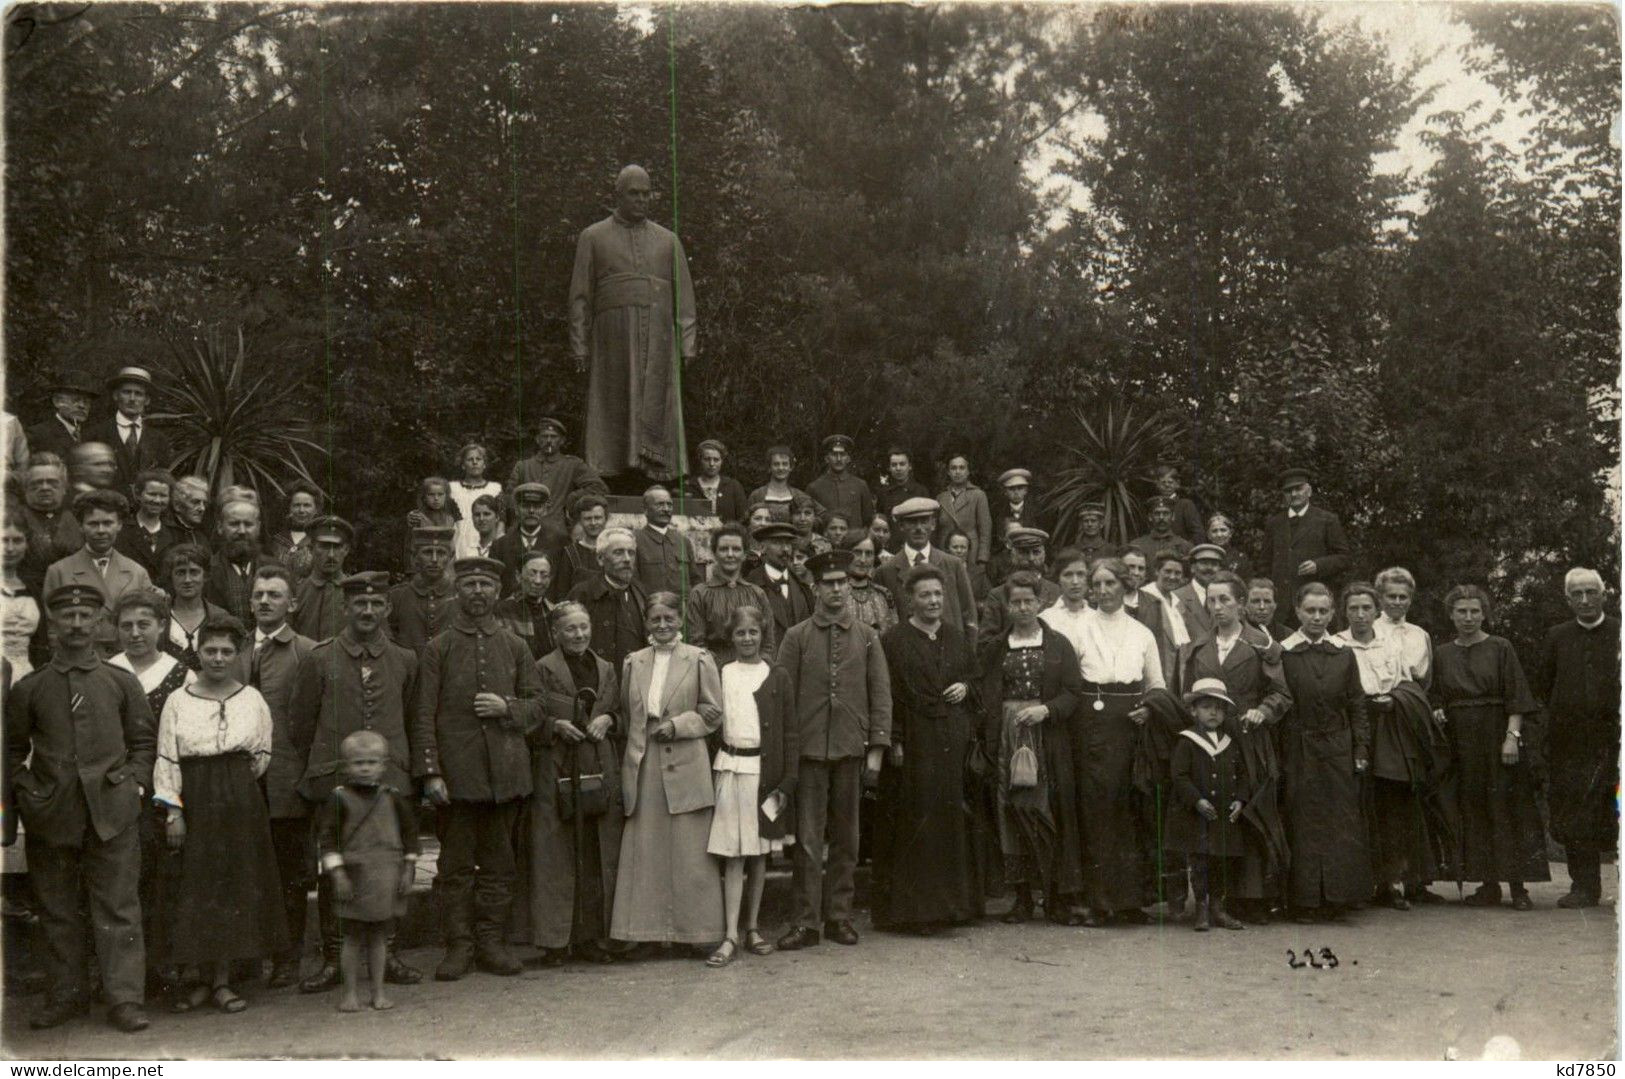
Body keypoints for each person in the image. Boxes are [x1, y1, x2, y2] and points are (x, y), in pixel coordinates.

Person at [4, 582, 156, 1032]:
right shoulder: (31, 688)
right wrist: (29, 791)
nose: (75, 624)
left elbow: (143, 742)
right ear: (52, 624)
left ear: (98, 623)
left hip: (113, 811)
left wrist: (133, 786)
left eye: (84, 616)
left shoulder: (119, 681)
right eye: (66, 617)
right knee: (57, 908)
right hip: (53, 814)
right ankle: (64, 996)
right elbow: (10, 749)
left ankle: (125, 1000)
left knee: (119, 906)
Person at [290, 571, 423, 993]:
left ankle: (390, 954)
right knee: (338, 870)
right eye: (359, 605)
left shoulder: (404, 659)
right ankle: (333, 959)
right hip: (336, 783)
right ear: (345, 609)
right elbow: (300, 723)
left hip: (389, 784)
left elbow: (410, 716)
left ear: (386, 609)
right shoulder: (320, 658)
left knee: (386, 866)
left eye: (376, 605)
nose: (367, 611)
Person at [415, 557, 544, 979]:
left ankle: (491, 942)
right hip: (457, 776)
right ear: (458, 590)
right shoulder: (439, 647)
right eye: (469, 584)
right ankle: (459, 945)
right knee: (454, 867)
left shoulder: (515, 645)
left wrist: (508, 707)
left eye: (486, 585)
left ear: (496, 592)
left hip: (505, 775)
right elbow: (423, 715)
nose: (477, 592)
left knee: (499, 865)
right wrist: (432, 772)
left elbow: (537, 706)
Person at [153, 615, 286, 1015]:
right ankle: (194, 979)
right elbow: (166, 755)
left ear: (237, 654)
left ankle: (223, 981)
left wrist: (234, 785)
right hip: (194, 795)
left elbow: (262, 754)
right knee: (195, 885)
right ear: (198, 652)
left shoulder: (252, 699)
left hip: (240, 801)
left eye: (227, 651)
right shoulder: (179, 699)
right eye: (210, 650)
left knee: (234, 884)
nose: (218, 658)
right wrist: (173, 809)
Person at [776, 549, 892, 950]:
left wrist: (876, 749)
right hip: (808, 752)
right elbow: (782, 699)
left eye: (843, 582)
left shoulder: (867, 636)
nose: (837, 589)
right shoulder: (796, 637)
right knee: (807, 841)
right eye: (829, 583)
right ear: (815, 587)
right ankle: (805, 922)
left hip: (851, 749)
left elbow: (880, 696)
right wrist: (787, 754)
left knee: (848, 838)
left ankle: (839, 917)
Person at [1043, 555, 1165, 925]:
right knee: (1094, 808)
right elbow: (1068, 683)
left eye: (1110, 583)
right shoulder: (1077, 631)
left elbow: (1156, 683)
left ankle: (1129, 901)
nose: (1102, 591)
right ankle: (1097, 900)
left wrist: (1149, 709)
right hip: (1090, 725)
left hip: (1130, 724)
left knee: (1127, 808)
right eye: (1096, 585)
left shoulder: (1142, 633)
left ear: (1127, 586)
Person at [611, 591, 724, 952]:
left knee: (691, 854)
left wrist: (679, 725)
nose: (662, 626)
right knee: (648, 851)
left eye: (669, 619)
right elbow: (629, 717)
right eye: (655, 619)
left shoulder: (699, 659)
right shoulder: (633, 662)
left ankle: (696, 934)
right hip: (645, 766)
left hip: (687, 762)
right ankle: (646, 934)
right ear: (646, 622)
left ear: (680, 621)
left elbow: (713, 713)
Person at [1176, 572, 1292, 923]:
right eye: (1211, 600)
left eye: (1225, 600)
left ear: (1241, 604)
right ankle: (1211, 902)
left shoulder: (1262, 645)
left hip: (1249, 738)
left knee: (1248, 813)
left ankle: (1252, 899)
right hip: (1208, 742)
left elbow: (1282, 693)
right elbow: (1186, 696)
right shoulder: (1197, 648)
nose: (1218, 607)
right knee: (1212, 817)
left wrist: (1263, 710)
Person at [571, 165, 698, 484]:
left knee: (659, 400)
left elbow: (684, 298)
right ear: (619, 195)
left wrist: (687, 343)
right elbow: (580, 296)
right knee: (613, 399)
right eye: (633, 193)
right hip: (612, 338)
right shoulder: (593, 235)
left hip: (658, 337)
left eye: (646, 193)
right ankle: (612, 472)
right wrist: (579, 346)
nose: (641, 199)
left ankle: (659, 474)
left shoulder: (669, 240)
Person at [875, 565, 982, 933]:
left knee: (950, 820)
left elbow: (974, 677)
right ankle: (917, 912)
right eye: (925, 595)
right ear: (910, 600)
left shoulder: (955, 637)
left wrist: (966, 687)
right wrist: (897, 740)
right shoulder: (894, 640)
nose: (933, 601)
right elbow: (888, 695)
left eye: (938, 594)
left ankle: (953, 908)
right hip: (916, 741)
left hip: (951, 739)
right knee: (917, 821)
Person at [517, 602, 622, 964]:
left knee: (595, 851)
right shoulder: (541, 668)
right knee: (557, 853)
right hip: (556, 766)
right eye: (570, 629)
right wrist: (554, 726)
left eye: (584, 627)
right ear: (556, 633)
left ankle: (593, 938)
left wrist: (608, 718)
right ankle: (556, 941)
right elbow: (530, 715)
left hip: (600, 765)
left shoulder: (607, 668)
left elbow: (621, 710)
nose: (579, 635)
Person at [1431, 584, 1547, 909]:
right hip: (1461, 740)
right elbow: (1437, 694)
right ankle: (1488, 885)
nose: (1468, 618)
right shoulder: (1442, 653)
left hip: (1497, 734)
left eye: (1475, 611)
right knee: (1474, 809)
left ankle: (1519, 888)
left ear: (1484, 614)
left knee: (1508, 807)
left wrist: (1512, 737)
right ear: (1451, 615)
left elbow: (1517, 696)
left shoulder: (1500, 647)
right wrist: (1439, 708)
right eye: (1461, 612)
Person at [978, 571, 1081, 925]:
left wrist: (1046, 710)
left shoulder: (1059, 645)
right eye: (1015, 602)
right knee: (1011, 812)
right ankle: (1021, 896)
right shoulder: (995, 648)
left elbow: (1072, 694)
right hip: (1007, 736)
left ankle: (1053, 897)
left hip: (1045, 737)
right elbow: (983, 692)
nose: (1022, 608)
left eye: (1028, 601)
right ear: (1006, 606)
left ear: (1041, 603)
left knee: (1046, 811)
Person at [1335, 581, 1445, 911]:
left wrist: (1394, 699)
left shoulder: (1391, 645)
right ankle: (1362, 882)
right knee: (1357, 803)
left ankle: (1396, 880)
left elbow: (1408, 683)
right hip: (1352, 723)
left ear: (1375, 610)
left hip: (1390, 727)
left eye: (1366, 608)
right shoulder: (1337, 644)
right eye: (1353, 608)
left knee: (1394, 801)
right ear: (1345, 612)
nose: (1360, 614)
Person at [108, 588, 195, 997]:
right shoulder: (107, 670)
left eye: (144, 624)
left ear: (162, 626)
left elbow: (184, 741)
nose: (135, 633)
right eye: (126, 626)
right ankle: (123, 977)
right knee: (121, 884)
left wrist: (173, 799)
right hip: (116, 791)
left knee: (165, 881)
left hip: (166, 793)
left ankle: (164, 971)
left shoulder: (182, 674)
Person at [238, 566, 317, 987]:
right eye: (259, 595)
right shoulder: (232, 650)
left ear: (292, 604)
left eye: (275, 595)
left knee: (289, 869)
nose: (265, 601)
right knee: (246, 868)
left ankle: (289, 956)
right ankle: (249, 956)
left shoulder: (306, 650)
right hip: (240, 781)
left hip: (288, 777)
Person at [706, 606, 798, 966]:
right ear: (731, 638)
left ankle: (753, 927)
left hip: (765, 776)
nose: (747, 639)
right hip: (731, 768)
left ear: (764, 635)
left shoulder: (776, 675)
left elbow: (790, 732)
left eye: (754, 633)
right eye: (741, 633)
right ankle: (730, 933)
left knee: (759, 853)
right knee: (734, 854)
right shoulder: (722, 674)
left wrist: (787, 781)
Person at [1277, 583, 1371, 922]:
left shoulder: (1343, 653)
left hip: (1337, 747)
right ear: (1298, 612)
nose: (1316, 617)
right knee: (1302, 819)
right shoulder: (1284, 652)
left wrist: (1360, 747)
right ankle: (1305, 901)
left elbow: (1356, 703)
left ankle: (1338, 899)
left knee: (1338, 820)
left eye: (1323, 611)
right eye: (1310, 611)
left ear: (1333, 614)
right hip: (1298, 747)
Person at [314, 730, 421, 1013]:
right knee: (351, 937)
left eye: (372, 762)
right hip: (354, 877)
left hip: (386, 875)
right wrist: (337, 874)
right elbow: (328, 839)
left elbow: (410, 835)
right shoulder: (338, 799)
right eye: (358, 762)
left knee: (379, 937)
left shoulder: (394, 797)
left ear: (383, 765)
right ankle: (349, 993)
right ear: (346, 766)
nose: (365, 768)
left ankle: (378, 992)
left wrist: (408, 868)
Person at [1533, 568, 1619, 909]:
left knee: (1617, 808)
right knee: (1575, 812)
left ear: (1603, 594)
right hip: (1570, 743)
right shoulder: (1557, 636)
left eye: (1590, 592)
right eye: (1577, 594)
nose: (1584, 600)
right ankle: (1584, 887)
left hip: (1615, 740)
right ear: (1568, 600)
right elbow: (1544, 684)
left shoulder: (1619, 631)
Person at [1167, 679, 1251, 932]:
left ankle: (1218, 907)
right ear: (1193, 711)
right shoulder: (1187, 741)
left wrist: (1240, 800)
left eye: (1218, 708)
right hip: (1197, 815)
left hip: (1225, 815)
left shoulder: (1230, 741)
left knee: (1222, 863)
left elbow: (1243, 774)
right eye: (1206, 707)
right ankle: (1201, 909)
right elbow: (1179, 775)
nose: (1213, 713)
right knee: (1200, 862)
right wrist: (1197, 800)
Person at [45, 489, 153, 657]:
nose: (101, 530)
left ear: (119, 525)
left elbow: (147, 624)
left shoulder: (137, 572)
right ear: (81, 526)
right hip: (78, 659)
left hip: (126, 660)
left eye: (108, 523)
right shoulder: (59, 571)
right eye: (93, 524)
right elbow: (53, 630)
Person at [877, 497, 978, 642]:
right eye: (912, 522)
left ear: (933, 524)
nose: (919, 528)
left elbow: (970, 618)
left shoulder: (953, 565)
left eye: (924, 521)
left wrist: (967, 656)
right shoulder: (886, 572)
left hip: (950, 652)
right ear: (901, 526)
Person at [1259, 467, 1353, 613]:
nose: (1294, 494)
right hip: (1281, 606)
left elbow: (1344, 558)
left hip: (1314, 603)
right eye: (1289, 491)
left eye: (1298, 489)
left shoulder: (1327, 520)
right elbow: (1264, 563)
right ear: (1284, 495)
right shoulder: (1274, 523)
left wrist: (1318, 565)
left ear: (1309, 491)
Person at [685, 524, 777, 663]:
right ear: (714, 553)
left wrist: (757, 670)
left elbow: (768, 643)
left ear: (745, 554)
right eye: (723, 549)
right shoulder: (700, 594)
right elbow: (696, 646)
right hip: (715, 675)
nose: (730, 554)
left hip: (753, 674)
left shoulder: (757, 594)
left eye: (736, 549)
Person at [566, 527, 648, 675]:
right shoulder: (582, 594)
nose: (627, 559)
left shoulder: (641, 593)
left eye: (631, 553)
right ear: (600, 559)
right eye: (618, 552)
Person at [506, 417, 609, 534]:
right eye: (545, 436)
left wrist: (572, 499)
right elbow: (510, 496)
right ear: (537, 439)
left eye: (553, 437)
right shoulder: (523, 466)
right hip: (524, 529)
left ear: (562, 440)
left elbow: (598, 487)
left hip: (556, 531)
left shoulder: (572, 465)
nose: (549, 441)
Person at [85, 367, 172, 494]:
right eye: (126, 392)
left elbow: (163, 480)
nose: (132, 399)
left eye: (138, 394)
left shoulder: (159, 439)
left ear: (147, 400)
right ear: (116, 395)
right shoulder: (95, 434)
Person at [977, 527, 1060, 647]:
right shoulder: (997, 595)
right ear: (1013, 556)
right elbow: (986, 643)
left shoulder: (1055, 591)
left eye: (1036, 552)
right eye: (1024, 552)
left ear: (1044, 555)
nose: (1031, 558)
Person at [387, 526, 457, 654]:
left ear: (450, 557)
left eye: (441, 553)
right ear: (415, 557)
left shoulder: (460, 596)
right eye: (428, 552)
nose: (434, 559)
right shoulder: (396, 596)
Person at [158, 544, 229, 669]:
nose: (187, 580)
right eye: (180, 573)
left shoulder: (220, 617)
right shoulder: (158, 615)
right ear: (171, 577)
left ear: (205, 576)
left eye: (194, 572)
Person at [16, 455, 83, 586]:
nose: (45, 487)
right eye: (37, 483)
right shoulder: (13, 520)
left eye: (52, 482)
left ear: (64, 488)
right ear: (25, 488)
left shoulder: (77, 518)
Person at [492, 483, 567, 597]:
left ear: (545, 510)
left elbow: (563, 586)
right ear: (516, 509)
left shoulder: (561, 542)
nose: (531, 511)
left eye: (537, 506)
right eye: (525, 506)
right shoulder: (500, 546)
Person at [746, 520, 813, 646]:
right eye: (778, 543)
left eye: (788, 543)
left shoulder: (802, 585)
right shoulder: (751, 586)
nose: (785, 549)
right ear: (762, 548)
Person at [204, 497, 268, 626]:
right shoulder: (206, 571)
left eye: (248, 524)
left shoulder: (275, 568)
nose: (242, 531)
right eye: (234, 524)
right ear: (220, 527)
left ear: (259, 527)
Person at [291, 516, 353, 642]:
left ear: (346, 549)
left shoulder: (356, 593)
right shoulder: (296, 592)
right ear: (311, 549)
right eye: (324, 546)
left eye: (336, 547)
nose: (331, 555)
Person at [634, 485, 701, 596]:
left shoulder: (683, 542)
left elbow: (695, 580)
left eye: (669, 505)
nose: (666, 509)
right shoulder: (635, 541)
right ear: (645, 510)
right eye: (660, 504)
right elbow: (633, 583)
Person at [2, 520, 49, 677]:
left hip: (26, 674)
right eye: (3, 540)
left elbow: (41, 640)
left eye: (17, 541)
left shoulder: (34, 588)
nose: (9, 548)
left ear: (26, 544)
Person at [1119, 547, 1174, 680]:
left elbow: (1158, 647)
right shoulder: (1105, 600)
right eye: (1131, 567)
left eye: (1141, 568)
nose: (1136, 573)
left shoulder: (1154, 603)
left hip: (1143, 678)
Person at [1374, 566, 1432, 687]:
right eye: (1391, 596)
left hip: (1414, 700)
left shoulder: (1420, 634)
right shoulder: (1371, 630)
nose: (1397, 602)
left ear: (1410, 600)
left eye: (1403, 597)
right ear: (1380, 598)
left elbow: (1427, 680)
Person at [113, 470, 178, 579]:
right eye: (152, 494)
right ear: (138, 495)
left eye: (163, 496)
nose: (157, 500)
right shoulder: (121, 531)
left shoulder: (176, 534)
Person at [494, 549, 557, 660]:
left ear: (550, 579)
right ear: (518, 576)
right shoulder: (502, 611)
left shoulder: (554, 611)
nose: (538, 581)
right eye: (532, 573)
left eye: (544, 575)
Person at [936, 454, 993, 572]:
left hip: (970, 552)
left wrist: (982, 558)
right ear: (948, 472)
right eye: (953, 468)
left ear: (968, 472)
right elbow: (935, 530)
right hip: (945, 551)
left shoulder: (978, 495)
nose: (957, 472)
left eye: (962, 468)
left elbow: (985, 530)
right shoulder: (941, 497)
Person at [807, 434, 876, 532]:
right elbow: (810, 522)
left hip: (854, 543)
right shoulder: (814, 488)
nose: (839, 459)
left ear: (848, 458)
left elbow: (868, 520)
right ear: (826, 458)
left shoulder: (860, 485)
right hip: (824, 544)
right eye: (834, 454)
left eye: (842, 454)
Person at [448, 442, 503, 559]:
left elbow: (501, 522)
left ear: (484, 464)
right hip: (458, 543)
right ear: (463, 465)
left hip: (487, 545)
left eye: (479, 459)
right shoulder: (452, 488)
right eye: (470, 459)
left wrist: (497, 548)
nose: (474, 462)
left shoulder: (495, 489)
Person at [550, 493, 608, 600]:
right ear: (580, 521)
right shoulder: (570, 553)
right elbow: (562, 593)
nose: (593, 523)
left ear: (606, 519)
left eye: (598, 518)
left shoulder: (613, 550)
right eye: (588, 518)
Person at [24, 372, 94, 461]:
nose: (82, 405)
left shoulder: (93, 435)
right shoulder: (38, 435)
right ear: (57, 401)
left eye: (87, 402)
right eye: (76, 400)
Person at [266, 481, 323, 585]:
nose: (301, 510)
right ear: (289, 508)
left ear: (316, 510)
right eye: (296, 505)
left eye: (307, 505)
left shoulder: (321, 541)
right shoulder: (276, 542)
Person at [682, 438, 748, 523]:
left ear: (722, 461)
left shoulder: (733, 486)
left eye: (716, 460)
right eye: (707, 459)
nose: (712, 464)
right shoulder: (688, 486)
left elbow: (743, 518)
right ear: (700, 460)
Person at [844, 533, 897, 635]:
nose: (863, 560)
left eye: (868, 554)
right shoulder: (837, 594)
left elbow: (893, 637)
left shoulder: (883, 595)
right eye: (857, 553)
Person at [1174, 543, 1227, 641]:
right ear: (1192, 568)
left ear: (1220, 569)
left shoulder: (1227, 599)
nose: (1209, 568)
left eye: (1214, 564)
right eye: (1204, 563)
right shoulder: (1177, 597)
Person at [1144, 550, 1193, 653]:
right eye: (1168, 571)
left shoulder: (1177, 602)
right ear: (1157, 571)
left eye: (1178, 573)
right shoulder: (1145, 597)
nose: (1172, 577)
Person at [746, 445, 815, 513]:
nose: (781, 468)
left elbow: (823, 514)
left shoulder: (799, 496)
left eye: (785, 464)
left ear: (790, 467)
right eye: (776, 464)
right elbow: (746, 519)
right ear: (769, 467)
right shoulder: (757, 495)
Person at [1150, 465, 1205, 543]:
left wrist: (1185, 548)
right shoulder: (1153, 505)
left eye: (1170, 482)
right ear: (1157, 484)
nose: (1167, 485)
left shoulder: (1185, 505)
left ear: (1177, 484)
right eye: (1163, 482)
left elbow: (1198, 533)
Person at [1132, 497, 1193, 564]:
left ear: (1173, 516)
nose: (1161, 517)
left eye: (1166, 513)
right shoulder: (1138, 545)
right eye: (1157, 514)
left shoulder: (1185, 546)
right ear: (1150, 517)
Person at [992, 468, 1045, 538]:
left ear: (1026, 491)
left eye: (1020, 488)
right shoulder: (997, 511)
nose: (1016, 492)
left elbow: (1042, 535)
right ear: (1005, 492)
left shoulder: (1036, 510)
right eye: (1011, 489)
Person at [406, 477, 459, 542]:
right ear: (424, 497)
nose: (436, 498)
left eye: (440, 494)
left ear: (446, 496)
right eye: (431, 494)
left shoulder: (450, 519)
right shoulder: (417, 517)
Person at [168, 476, 211, 550]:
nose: (202, 508)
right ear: (177, 505)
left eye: (204, 503)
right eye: (195, 502)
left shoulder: (202, 538)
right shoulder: (165, 534)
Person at [944, 531, 989, 603]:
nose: (959, 551)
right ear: (947, 549)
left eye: (963, 547)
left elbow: (988, 598)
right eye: (955, 547)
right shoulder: (940, 571)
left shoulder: (979, 573)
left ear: (968, 550)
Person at [1205, 513, 1251, 581]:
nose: (1219, 535)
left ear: (1230, 533)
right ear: (1208, 535)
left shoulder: (1240, 559)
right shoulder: (1204, 558)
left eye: (1223, 530)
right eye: (1214, 531)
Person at [1244, 578, 1291, 643]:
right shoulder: (1234, 634)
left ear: (1275, 605)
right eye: (1256, 601)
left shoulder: (1289, 636)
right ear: (1245, 605)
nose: (1262, 607)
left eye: (1267, 601)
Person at [461, 493, 504, 561]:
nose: (481, 518)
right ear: (472, 518)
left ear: (497, 517)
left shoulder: (505, 547)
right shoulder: (467, 550)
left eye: (486, 514)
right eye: (477, 515)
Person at [1070, 501, 1113, 567]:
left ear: (1101, 524)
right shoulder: (1072, 550)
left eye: (1093, 521)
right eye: (1086, 521)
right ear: (1081, 524)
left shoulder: (1111, 551)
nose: (1089, 524)